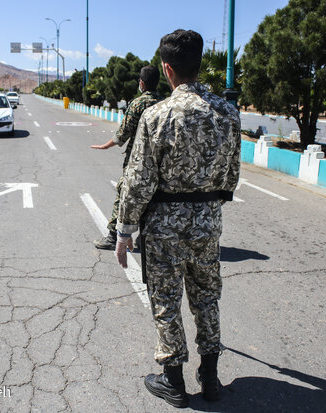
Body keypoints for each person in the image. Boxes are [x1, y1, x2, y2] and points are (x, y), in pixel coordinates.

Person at [115, 29, 241, 408]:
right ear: (198, 66)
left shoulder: (156, 115)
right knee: (207, 298)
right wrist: (204, 206)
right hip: (206, 222)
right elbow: (231, 175)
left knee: (166, 301)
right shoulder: (228, 112)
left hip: (163, 228)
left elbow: (138, 180)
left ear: (167, 69)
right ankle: (211, 376)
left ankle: (173, 381)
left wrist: (124, 231)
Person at [91, 65, 162, 250]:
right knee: (154, 197)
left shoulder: (138, 103)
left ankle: (113, 236)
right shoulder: (163, 103)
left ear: (141, 83)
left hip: (137, 161)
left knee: (123, 194)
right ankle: (145, 237)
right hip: (160, 160)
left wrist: (106, 145)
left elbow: (123, 133)